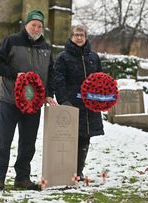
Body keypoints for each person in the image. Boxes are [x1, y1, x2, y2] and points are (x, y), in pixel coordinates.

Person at [0, 10, 57, 190]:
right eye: (33, 25)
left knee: (28, 143)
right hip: (10, 100)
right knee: (3, 141)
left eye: (40, 26)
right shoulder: (11, 41)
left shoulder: (46, 47)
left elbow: (51, 73)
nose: (36, 28)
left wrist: (49, 93)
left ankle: (22, 178)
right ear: (26, 25)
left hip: (34, 103)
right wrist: (15, 74)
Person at [54, 24, 104, 181]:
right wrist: (63, 101)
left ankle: (79, 171)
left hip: (90, 105)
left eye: (82, 35)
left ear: (86, 37)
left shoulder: (94, 57)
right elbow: (59, 80)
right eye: (76, 35)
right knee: (70, 138)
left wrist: (101, 100)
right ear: (71, 37)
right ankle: (67, 171)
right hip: (72, 104)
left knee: (85, 137)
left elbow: (100, 80)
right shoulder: (63, 57)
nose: (79, 37)